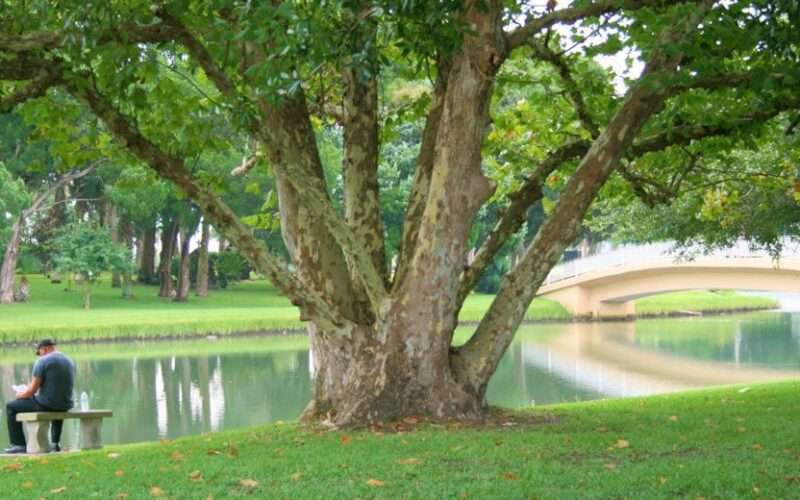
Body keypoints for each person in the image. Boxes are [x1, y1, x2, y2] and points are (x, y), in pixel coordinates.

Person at [4, 339, 75, 454]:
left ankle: (18, 444)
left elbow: (31, 391)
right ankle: (55, 443)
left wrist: (20, 394)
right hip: (65, 404)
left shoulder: (42, 361)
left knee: (11, 406)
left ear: (44, 349)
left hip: (47, 405)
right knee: (56, 402)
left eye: (39, 352)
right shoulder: (69, 360)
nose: (39, 355)